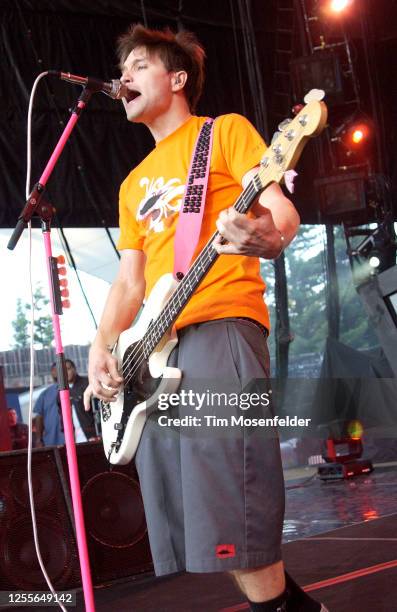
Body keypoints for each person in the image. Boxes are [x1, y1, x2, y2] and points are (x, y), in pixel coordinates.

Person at [85, 24, 328, 612]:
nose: (125, 78)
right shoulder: (132, 183)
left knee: (234, 498)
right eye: (124, 69)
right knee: (209, 524)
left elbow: (277, 211)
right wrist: (102, 343)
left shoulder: (223, 134)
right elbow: (131, 281)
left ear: (177, 78)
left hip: (221, 327)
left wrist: (266, 237)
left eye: (139, 65)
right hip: (155, 353)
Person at [35, 359, 96, 446]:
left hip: (92, 435)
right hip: (73, 439)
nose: (66, 373)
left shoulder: (88, 383)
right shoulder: (60, 392)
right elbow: (62, 417)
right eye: (62, 371)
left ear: (74, 369)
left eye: (68, 369)